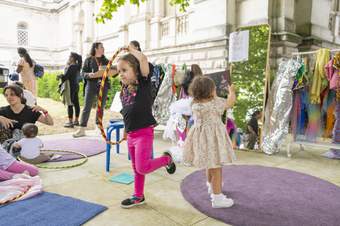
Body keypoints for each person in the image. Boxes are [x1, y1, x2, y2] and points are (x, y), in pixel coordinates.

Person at [117, 47, 176, 209]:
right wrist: (125, 131)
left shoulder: (144, 82)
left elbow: (143, 60)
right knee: (137, 168)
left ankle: (167, 160)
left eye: (124, 70)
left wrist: (131, 50)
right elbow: (127, 114)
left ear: (136, 71)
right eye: (119, 71)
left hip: (144, 133)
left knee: (143, 167)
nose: (120, 74)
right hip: (131, 135)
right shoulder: (123, 92)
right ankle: (138, 196)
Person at [183, 76, 236, 208]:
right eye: (214, 88)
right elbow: (230, 103)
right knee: (217, 167)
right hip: (213, 140)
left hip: (201, 139)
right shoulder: (215, 104)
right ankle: (217, 198)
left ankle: (210, 186)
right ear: (211, 91)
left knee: (209, 163)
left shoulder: (195, 104)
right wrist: (232, 92)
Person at [73, 42, 116, 137]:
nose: (103, 48)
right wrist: (89, 75)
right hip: (91, 85)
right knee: (86, 107)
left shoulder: (106, 60)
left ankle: (98, 126)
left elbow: (115, 72)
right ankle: (82, 129)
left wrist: (117, 69)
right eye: (101, 47)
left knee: (101, 107)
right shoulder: (88, 59)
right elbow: (82, 73)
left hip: (103, 86)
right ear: (96, 48)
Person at [0, 85, 53, 150]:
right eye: (6, 95)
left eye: (12, 94)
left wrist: (44, 111)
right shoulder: (3, 111)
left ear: (20, 95)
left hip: (25, 144)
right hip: (6, 145)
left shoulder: (31, 111)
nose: (9, 97)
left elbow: (50, 123)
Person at [59, 52, 82, 128]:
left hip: (70, 87)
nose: (68, 57)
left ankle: (70, 122)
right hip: (76, 86)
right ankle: (76, 121)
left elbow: (66, 77)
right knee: (76, 103)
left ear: (73, 58)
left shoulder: (71, 66)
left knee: (70, 104)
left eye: (70, 56)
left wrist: (60, 76)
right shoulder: (77, 66)